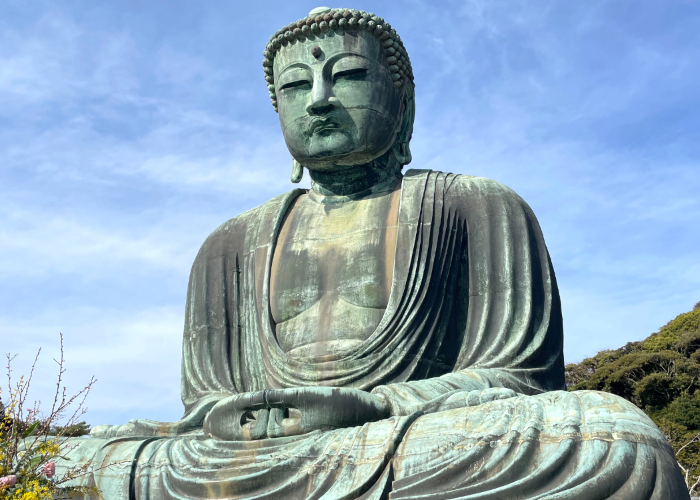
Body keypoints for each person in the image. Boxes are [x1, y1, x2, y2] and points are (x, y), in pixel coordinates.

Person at [60, 7, 689, 500]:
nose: (320, 100)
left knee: (614, 440)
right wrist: (238, 423)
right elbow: (205, 410)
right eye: (295, 87)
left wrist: (373, 404)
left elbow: (519, 380)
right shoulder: (228, 245)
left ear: (402, 98)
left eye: (350, 76)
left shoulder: (476, 205)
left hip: (408, 439)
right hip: (255, 460)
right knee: (68, 464)